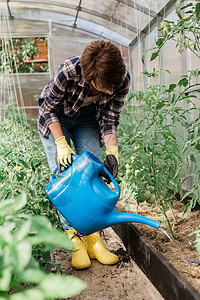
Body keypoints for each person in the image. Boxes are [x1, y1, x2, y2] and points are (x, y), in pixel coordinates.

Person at [38, 40, 130, 269]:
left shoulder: (121, 80)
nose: (109, 91)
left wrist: (112, 151)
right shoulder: (69, 71)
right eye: (103, 87)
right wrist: (61, 142)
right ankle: (74, 239)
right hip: (55, 118)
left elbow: (109, 117)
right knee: (64, 175)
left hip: (88, 118)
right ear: (89, 75)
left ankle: (94, 238)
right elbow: (47, 108)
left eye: (112, 87)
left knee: (94, 172)